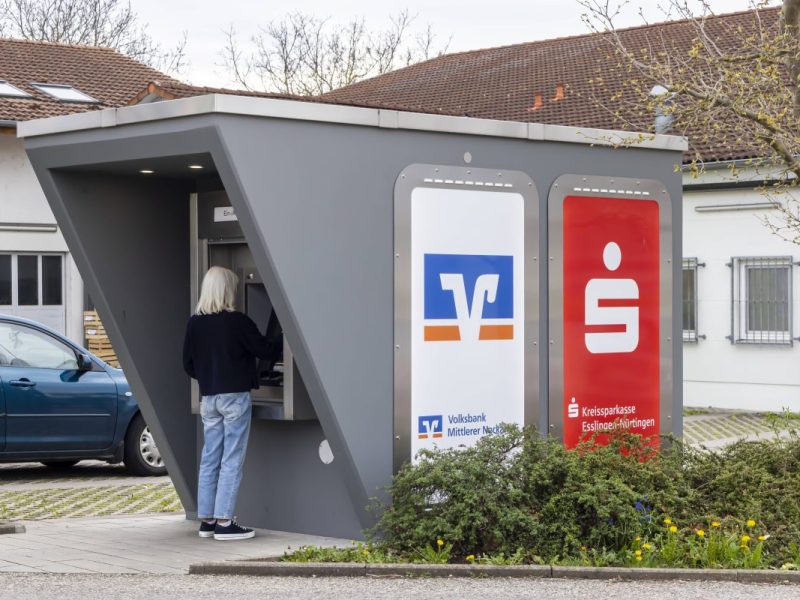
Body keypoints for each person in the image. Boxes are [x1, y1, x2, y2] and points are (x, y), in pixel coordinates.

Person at [182, 266, 277, 541]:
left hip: (209, 397)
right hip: (234, 396)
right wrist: (285, 337)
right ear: (227, 290)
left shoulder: (194, 323)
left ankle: (207, 521)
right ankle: (225, 522)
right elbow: (266, 350)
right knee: (232, 459)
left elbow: (187, 364)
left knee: (210, 457)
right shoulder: (237, 321)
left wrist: (210, 377)